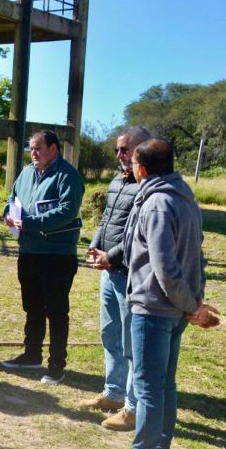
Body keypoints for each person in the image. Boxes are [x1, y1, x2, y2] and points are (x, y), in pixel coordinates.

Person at [95, 139, 217, 449]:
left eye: (132, 162)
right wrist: (193, 303)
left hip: (154, 310)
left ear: (142, 169)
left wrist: (192, 306)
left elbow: (165, 268)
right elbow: (197, 257)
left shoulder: (157, 205)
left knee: (148, 388)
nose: (129, 168)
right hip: (175, 309)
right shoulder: (184, 197)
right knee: (163, 384)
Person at [79, 126, 151, 430]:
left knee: (131, 342)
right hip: (108, 271)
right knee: (110, 334)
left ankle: (132, 408)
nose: (120, 155)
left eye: (126, 150)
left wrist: (112, 256)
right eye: (117, 150)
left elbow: (136, 234)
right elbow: (108, 219)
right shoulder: (116, 181)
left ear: (142, 151)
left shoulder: (147, 185)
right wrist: (96, 245)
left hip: (129, 274)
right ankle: (113, 392)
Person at [2, 130, 85, 385]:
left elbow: (67, 211)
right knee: (32, 307)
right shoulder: (26, 173)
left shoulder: (68, 175)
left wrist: (29, 222)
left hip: (57, 255)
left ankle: (56, 365)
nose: (33, 153)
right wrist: (8, 213)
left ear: (53, 149)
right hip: (28, 252)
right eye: (31, 149)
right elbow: (12, 198)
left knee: (56, 311)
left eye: (38, 148)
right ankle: (31, 354)